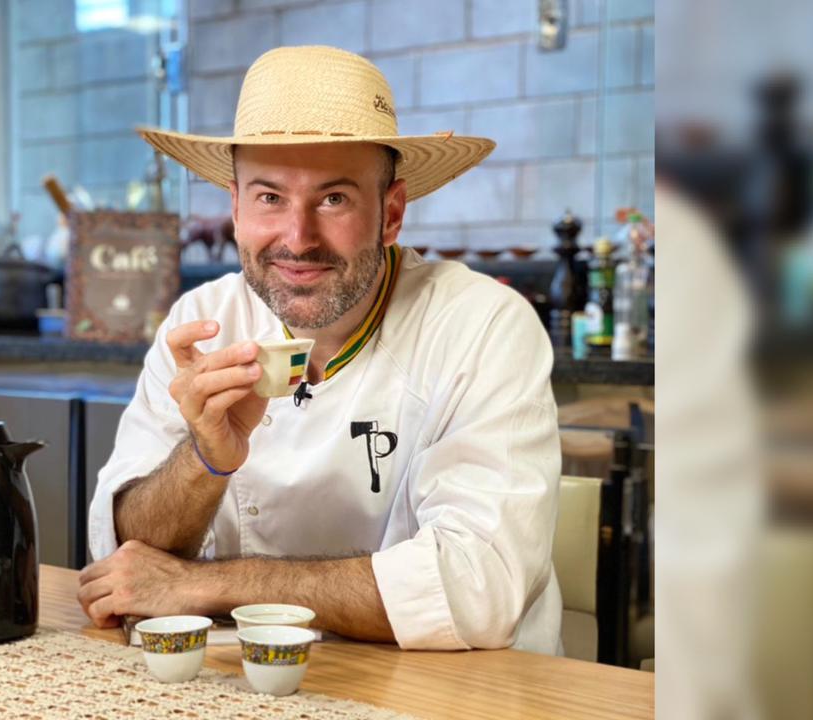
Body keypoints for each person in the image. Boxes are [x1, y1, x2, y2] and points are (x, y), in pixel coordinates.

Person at [79, 45, 562, 652]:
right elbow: (124, 556)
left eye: (333, 198)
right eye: (269, 197)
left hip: (458, 690)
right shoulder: (205, 320)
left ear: (391, 214)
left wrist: (206, 586)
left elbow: (477, 587)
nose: (298, 238)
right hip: (247, 685)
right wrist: (204, 460)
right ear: (234, 208)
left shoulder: (481, 326)